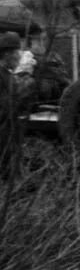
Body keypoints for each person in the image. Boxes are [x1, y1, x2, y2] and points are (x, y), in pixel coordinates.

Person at [1, 32, 24, 178]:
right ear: (7, 54)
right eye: (17, 52)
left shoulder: (8, 76)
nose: (19, 56)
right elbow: (6, 108)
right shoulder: (4, 77)